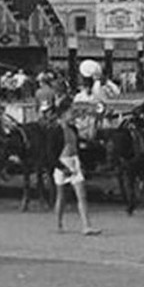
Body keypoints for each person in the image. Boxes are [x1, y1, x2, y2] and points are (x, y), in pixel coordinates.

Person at [51, 95, 101, 236]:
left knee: (82, 195)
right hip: (62, 162)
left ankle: (86, 225)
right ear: (63, 113)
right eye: (71, 112)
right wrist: (61, 167)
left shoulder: (73, 128)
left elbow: (76, 145)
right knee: (61, 196)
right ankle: (58, 223)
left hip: (74, 161)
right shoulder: (56, 130)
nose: (73, 115)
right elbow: (52, 153)